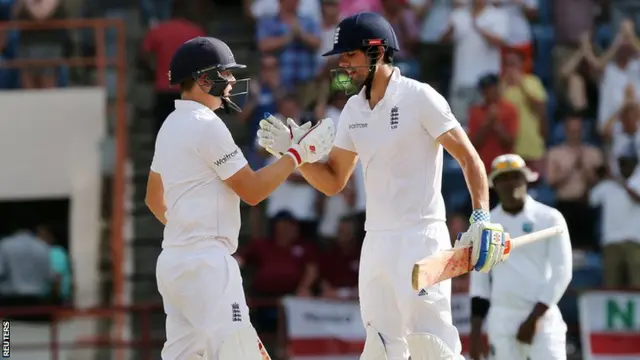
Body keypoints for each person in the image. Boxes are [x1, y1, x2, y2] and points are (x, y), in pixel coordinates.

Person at [257, 12, 509, 359]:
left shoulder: (420, 97)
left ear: (376, 52)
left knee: (431, 347)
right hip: (375, 241)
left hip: (421, 238)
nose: (343, 66)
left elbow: (470, 159)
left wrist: (481, 216)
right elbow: (333, 181)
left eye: (349, 56)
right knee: (381, 349)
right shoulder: (352, 110)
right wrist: (296, 154)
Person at [144, 36, 335, 360]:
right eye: (226, 73)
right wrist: (296, 155)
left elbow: (152, 199)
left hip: (174, 262)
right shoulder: (208, 126)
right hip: (207, 264)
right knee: (240, 352)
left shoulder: (171, 125)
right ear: (204, 79)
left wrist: (187, 229)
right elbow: (253, 191)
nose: (232, 82)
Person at [468, 154, 573, 360]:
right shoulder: (487, 226)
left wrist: (535, 318)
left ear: (526, 179)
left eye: (515, 176)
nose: (510, 183)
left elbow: (562, 272)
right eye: (503, 178)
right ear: (494, 184)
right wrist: (475, 333)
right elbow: (479, 282)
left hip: (543, 317)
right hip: (502, 317)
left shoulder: (550, 218)